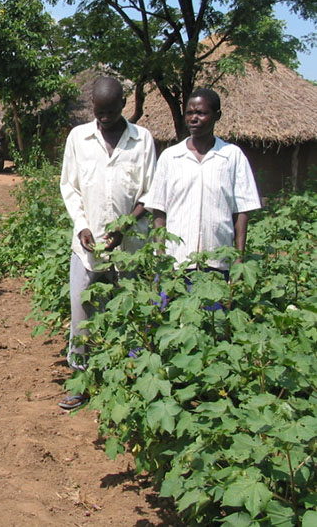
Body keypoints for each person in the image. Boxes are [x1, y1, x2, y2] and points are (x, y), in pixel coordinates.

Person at [58, 76, 157, 410]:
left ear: (124, 105)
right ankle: (78, 381)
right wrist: (83, 226)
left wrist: (125, 228)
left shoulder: (142, 140)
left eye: (110, 112)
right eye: (99, 112)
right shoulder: (78, 138)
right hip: (85, 249)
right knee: (81, 313)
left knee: (131, 312)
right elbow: (69, 187)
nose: (104, 118)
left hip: (129, 249)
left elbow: (149, 192)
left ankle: (132, 377)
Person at [146, 88, 260, 273]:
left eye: (201, 113)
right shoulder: (171, 157)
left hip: (217, 262)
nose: (194, 118)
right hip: (176, 262)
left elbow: (242, 211)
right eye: (190, 113)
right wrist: (160, 254)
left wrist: (238, 257)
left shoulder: (232, 156)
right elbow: (159, 210)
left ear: (217, 115)